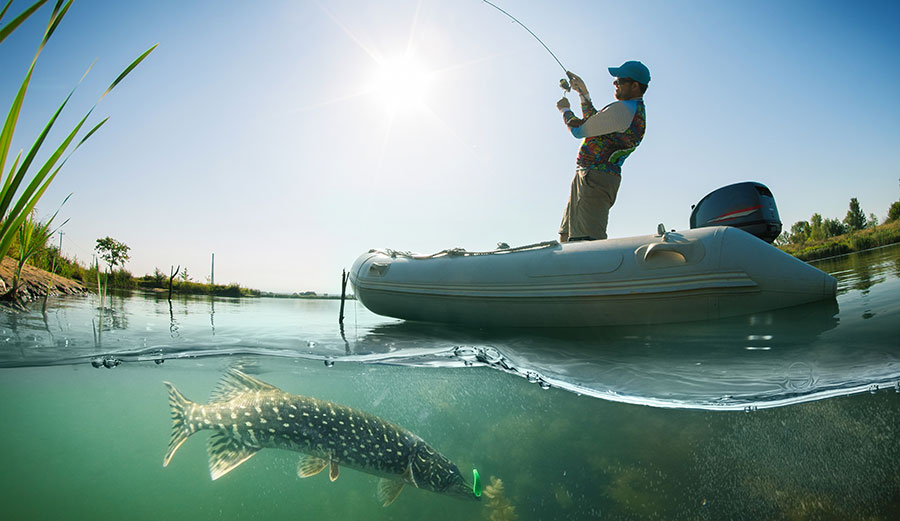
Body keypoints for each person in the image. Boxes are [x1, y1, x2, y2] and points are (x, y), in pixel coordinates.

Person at [555, 60, 649, 242]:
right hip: (588, 177)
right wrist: (583, 93)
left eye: (620, 80)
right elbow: (595, 123)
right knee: (566, 236)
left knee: (584, 241)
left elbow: (580, 130)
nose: (615, 83)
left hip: (594, 180)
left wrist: (565, 110)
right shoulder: (630, 110)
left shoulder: (623, 111)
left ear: (635, 85)